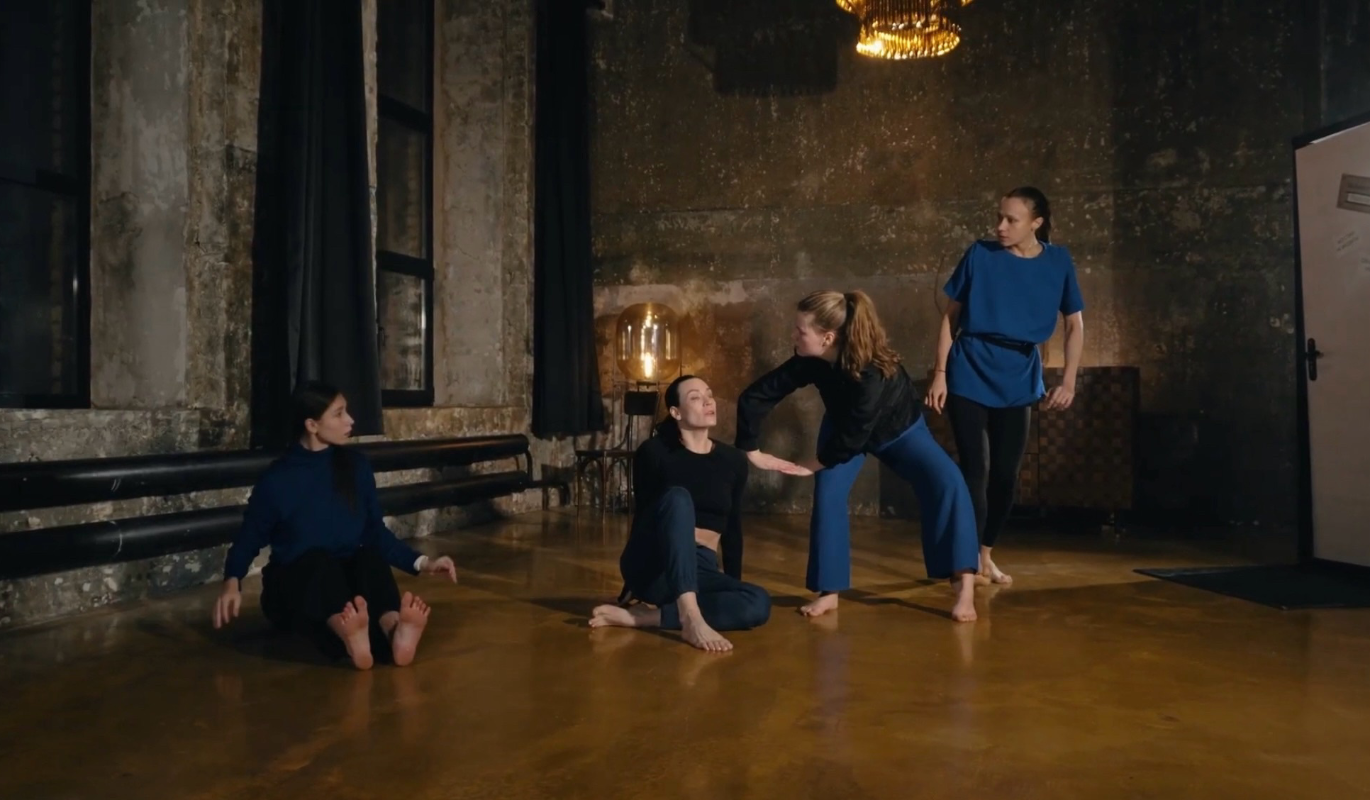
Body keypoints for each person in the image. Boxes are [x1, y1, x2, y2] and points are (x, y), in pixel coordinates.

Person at [736, 290, 980, 622]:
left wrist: (813, 464)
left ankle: (964, 587)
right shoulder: (811, 359)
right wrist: (751, 450)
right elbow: (758, 395)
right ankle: (829, 592)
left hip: (898, 430)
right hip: (844, 428)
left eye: (800, 330)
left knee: (949, 481)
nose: (793, 335)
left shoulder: (871, 372)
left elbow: (856, 433)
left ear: (827, 338)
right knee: (829, 496)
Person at [212, 381, 458, 669]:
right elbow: (249, 537)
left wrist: (424, 563)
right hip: (294, 587)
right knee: (318, 563)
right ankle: (346, 631)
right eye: (339, 414)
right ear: (312, 425)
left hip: (346, 585)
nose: (350, 420)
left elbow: (375, 533)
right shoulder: (277, 480)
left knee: (368, 558)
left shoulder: (356, 466)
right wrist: (232, 582)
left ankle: (393, 627)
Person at [926, 186, 1085, 585]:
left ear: (1036, 223)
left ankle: (985, 555)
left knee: (1005, 475)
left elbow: (1074, 324)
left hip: (1018, 375)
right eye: (999, 217)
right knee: (974, 470)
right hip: (970, 367)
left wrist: (1068, 381)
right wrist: (940, 372)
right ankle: (964, 563)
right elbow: (950, 317)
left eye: (1011, 220)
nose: (1000, 226)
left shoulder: (1058, 261)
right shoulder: (980, 254)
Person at [589, 375, 771, 652]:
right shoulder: (654, 452)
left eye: (709, 394)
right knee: (678, 498)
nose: (708, 401)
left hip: (702, 566)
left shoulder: (733, 460)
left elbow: (732, 528)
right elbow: (644, 516)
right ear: (676, 412)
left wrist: (731, 584)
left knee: (758, 602)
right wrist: (631, 586)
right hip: (656, 564)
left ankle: (647, 618)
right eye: (695, 398)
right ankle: (689, 616)